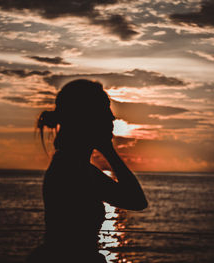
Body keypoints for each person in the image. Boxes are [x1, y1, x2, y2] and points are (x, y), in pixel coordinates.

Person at [27, 79, 148, 262]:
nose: (112, 117)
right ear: (86, 117)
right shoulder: (74, 170)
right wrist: (109, 152)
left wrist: (107, 150)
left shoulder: (74, 165)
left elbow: (136, 201)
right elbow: (135, 200)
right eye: (105, 109)